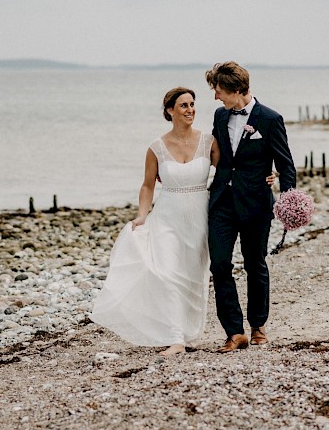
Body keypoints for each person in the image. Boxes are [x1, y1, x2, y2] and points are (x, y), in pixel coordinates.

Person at [90, 87, 212, 355]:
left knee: (193, 277)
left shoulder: (208, 142)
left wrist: (265, 176)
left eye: (192, 104)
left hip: (200, 218)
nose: (190, 109)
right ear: (170, 111)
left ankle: (190, 332)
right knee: (167, 273)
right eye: (183, 105)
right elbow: (147, 186)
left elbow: (232, 171)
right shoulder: (156, 147)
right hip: (167, 217)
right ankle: (176, 338)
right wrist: (142, 216)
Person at [205, 61, 297, 352]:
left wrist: (289, 202)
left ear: (236, 89)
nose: (216, 96)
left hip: (256, 202)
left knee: (255, 263)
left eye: (219, 90)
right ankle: (234, 331)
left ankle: (258, 325)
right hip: (221, 202)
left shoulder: (270, 119)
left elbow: (286, 165)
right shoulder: (220, 116)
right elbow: (214, 154)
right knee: (219, 264)